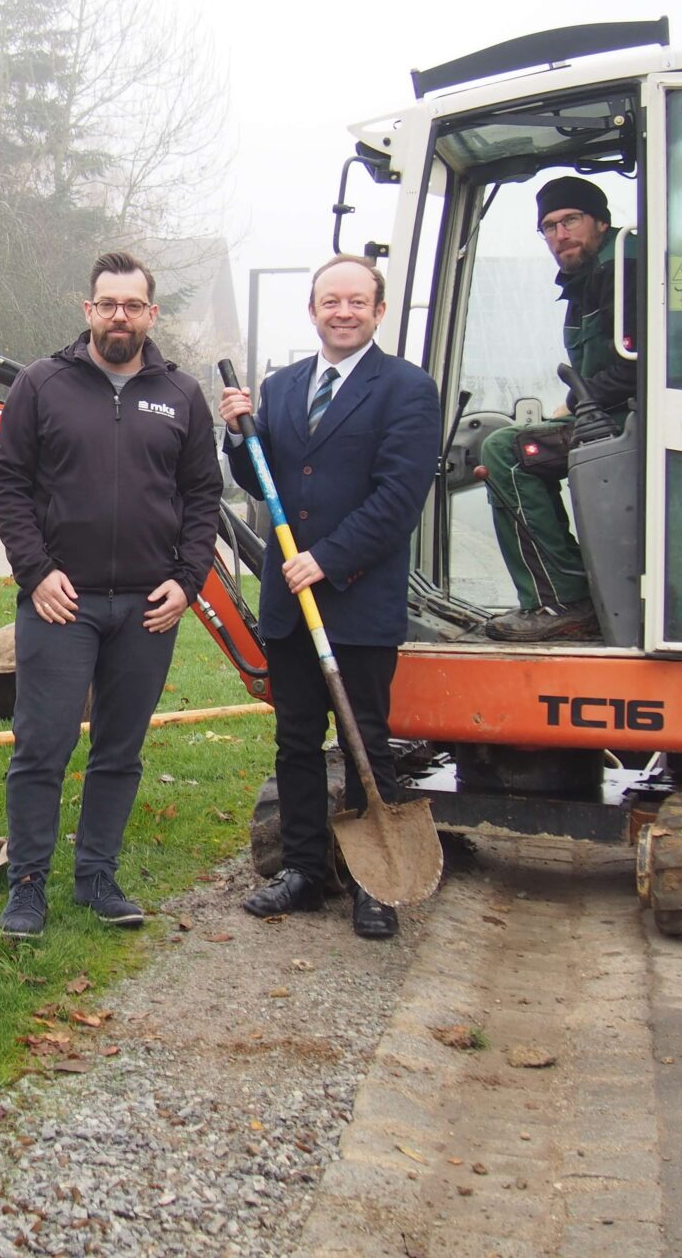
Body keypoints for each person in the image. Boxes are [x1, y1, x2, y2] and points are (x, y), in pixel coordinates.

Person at [0, 251, 223, 939]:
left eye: (133, 305)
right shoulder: (41, 385)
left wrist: (187, 581)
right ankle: (28, 884)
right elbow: (9, 485)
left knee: (120, 750)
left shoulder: (180, 394)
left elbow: (203, 493)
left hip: (148, 610)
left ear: (151, 314)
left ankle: (96, 876)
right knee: (42, 746)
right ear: (88, 310)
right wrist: (35, 572)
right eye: (107, 304)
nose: (120, 315)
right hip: (62, 603)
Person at [220, 255, 441, 939]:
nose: (342, 312)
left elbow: (399, 497)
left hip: (356, 600)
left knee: (364, 743)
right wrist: (237, 435)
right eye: (329, 301)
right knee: (295, 743)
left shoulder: (406, 389)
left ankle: (375, 884)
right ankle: (305, 870)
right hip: (291, 605)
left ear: (378, 311)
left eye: (356, 302)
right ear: (313, 310)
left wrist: (326, 560)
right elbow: (265, 483)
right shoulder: (282, 388)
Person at [481, 176, 635, 641]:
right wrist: (569, 407)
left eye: (571, 220)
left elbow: (638, 368)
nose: (559, 235)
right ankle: (570, 592)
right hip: (615, 413)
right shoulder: (588, 278)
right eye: (548, 227)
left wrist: (575, 402)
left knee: (507, 453)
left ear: (601, 221)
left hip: (632, 418)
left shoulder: (625, 270)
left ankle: (562, 601)